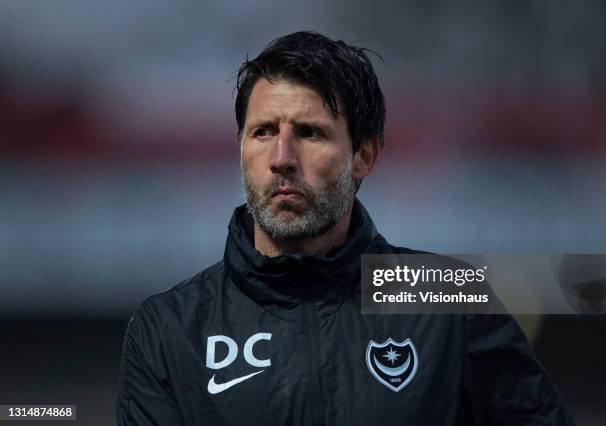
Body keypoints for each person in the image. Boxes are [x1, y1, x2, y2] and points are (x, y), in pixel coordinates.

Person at [116, 31, 574, 425]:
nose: (281, 159)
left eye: (310, 133)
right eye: (263, 132)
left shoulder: (449, 300)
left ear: (364, 156)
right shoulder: (168, 329)